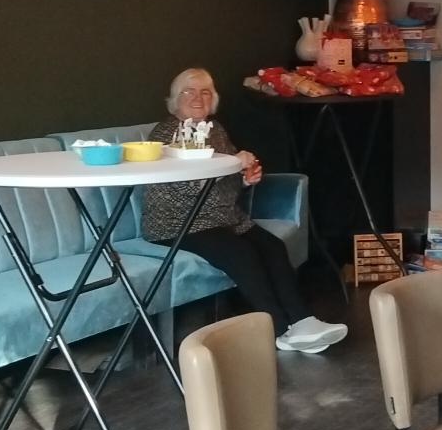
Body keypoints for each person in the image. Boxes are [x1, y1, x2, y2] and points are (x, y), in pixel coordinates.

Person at [144, 68, 347, 354]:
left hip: (222, 218)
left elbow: (224, 182)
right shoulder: (167, 134)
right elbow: (187, 185)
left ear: (213, 99)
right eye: (188, 91)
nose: (197, 98)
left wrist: (244, 179)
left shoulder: (215, 130)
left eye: (205, 92)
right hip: (178, 223)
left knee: (273, 246)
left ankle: (303, 321)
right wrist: (231, 163)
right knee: (242, 253)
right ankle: (278, 330)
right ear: (175, 99)